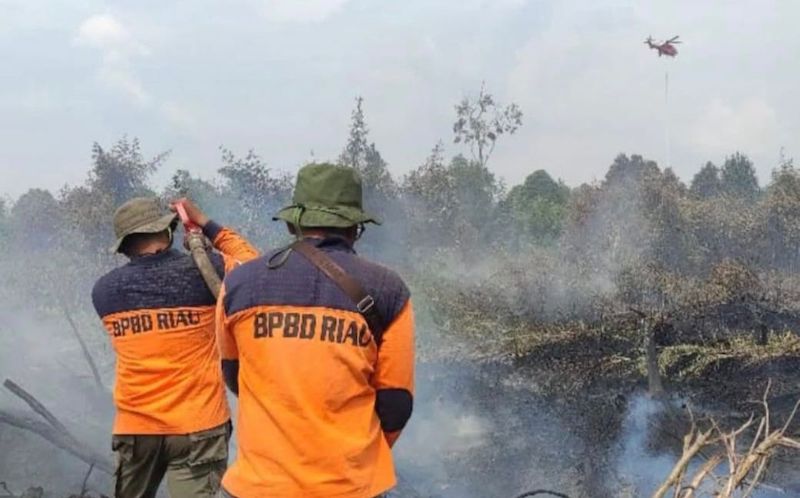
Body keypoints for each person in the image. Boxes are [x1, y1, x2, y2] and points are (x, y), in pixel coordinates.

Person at [216, 163, 415, 498]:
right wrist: (356, 457)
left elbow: (234, 374)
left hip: (257, 486)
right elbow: (396, 404)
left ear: (294, 223)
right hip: (350, 486)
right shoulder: (388, 290)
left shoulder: (238, 283)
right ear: (355, 227)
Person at [91, 197, 259, 498]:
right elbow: (254, 267)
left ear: (125, 246)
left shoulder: (104, 291)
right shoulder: (208, 271)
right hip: (199, 427)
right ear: (168, 231)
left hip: (136, 430)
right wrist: (206, 225)